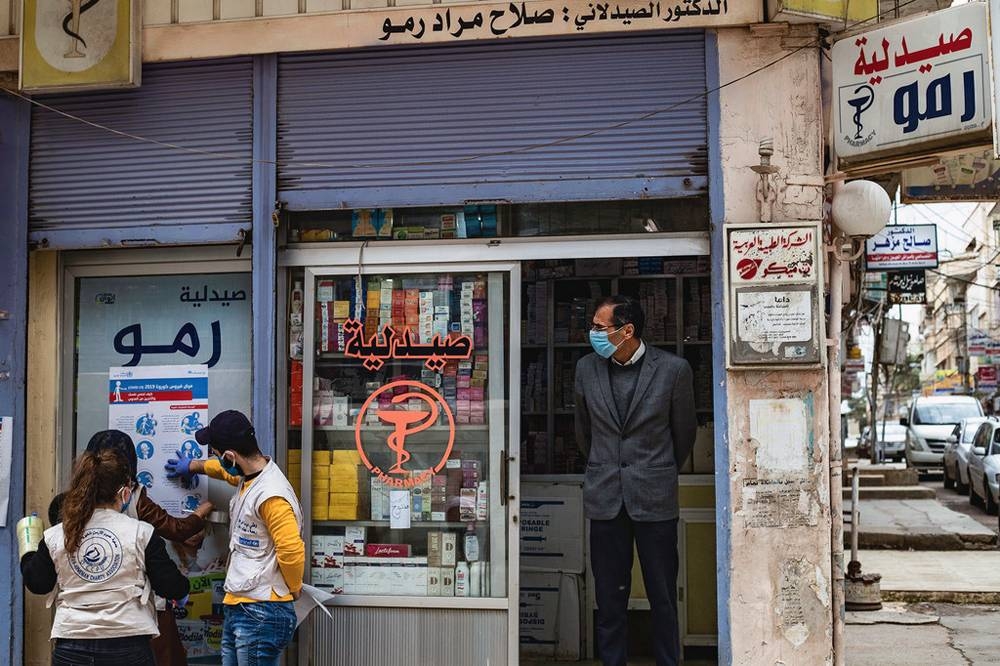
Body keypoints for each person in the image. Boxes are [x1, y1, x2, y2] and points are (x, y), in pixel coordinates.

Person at [574, 295, 697, 666]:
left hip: (654, 498)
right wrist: (606, 465)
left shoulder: (673, 370)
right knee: (609, 598)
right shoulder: (585, 369)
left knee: (662, 596)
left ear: (627, 331)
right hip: (606, 496)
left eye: (599, 328)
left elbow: (684, 434)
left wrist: (654, 470)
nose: (592, 334)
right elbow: (584, 433)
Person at [49, 430, 214, 666]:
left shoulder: (68, 503)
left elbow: (43, 572)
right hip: (133, 615)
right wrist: (201, 512)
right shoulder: (134, 497)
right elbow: (176, 530)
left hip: (77, 625)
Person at [19, 447, 190, 666]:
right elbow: (172, 587)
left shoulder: (56, 535)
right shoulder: (141, 533)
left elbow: (38, 583)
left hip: (72, 645)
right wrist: (182, 588)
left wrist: (29, 550)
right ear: (125, 492)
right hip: (128, 645)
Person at [166, 409, 304, 666]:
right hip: (242, 605)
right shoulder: (251, 477)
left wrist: (294, 589)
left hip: (261, 610)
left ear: (230, 455)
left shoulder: (272, 495)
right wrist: (194, 466)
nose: (216, 460)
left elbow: (291, 549)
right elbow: (226, 473)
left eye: (217, 455)